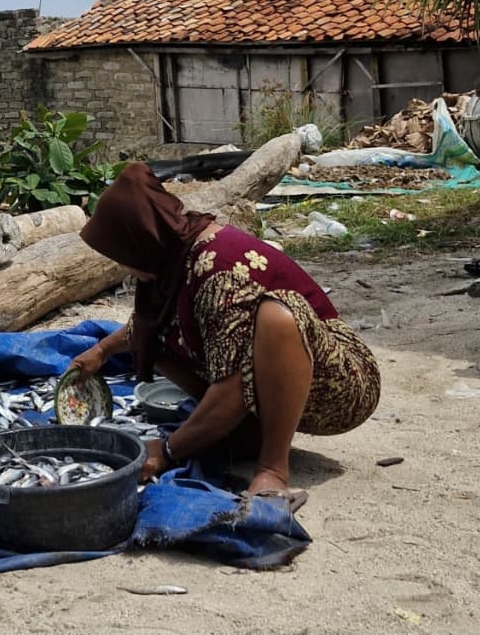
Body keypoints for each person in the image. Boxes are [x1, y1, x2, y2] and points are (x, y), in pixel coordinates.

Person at [71, 162, 380, 506]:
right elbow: (146, 328)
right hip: (277, 376)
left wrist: (168, 450)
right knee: (152, 341)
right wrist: (102, 350)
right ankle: (246, 432)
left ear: (141, 240)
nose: (123, 266)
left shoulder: (219, 272)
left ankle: (273, 469)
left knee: (276, 316)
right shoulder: (177, 250)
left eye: (122, 254)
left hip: (341, 383)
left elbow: (233, 388)